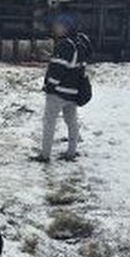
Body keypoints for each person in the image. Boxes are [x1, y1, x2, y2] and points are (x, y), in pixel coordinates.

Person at [36, 16, 91, 162]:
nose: (56, 28)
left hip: (58, 92)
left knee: (49, 122)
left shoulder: (65, 45)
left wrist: (49, 86)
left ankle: (45, 155)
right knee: (72, 122)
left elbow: (57, 70)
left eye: (59, 26)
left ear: (66, 28)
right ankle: (71, 153)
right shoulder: (80, 44)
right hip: (73, 92)